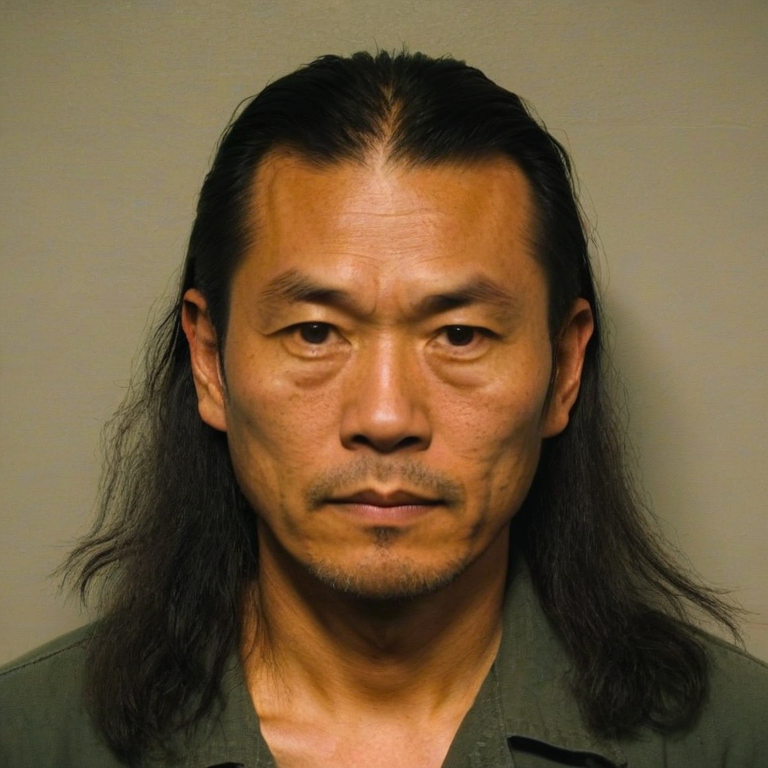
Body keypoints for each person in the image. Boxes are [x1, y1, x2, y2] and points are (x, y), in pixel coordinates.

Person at [1, 49, 766, 768]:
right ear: (209, 362)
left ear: (564, 367)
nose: (387, 417)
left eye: (460, 335)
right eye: (314, 332)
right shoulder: (30, 736)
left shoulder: (737, 736)